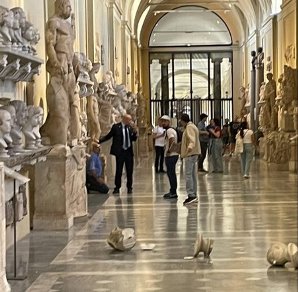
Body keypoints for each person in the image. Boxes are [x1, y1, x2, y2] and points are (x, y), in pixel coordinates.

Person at [40, 0, 76, 145]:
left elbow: (71, 41)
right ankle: (57, 142)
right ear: (61, 5)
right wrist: (55, 62)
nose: (70, 9)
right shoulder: (53, 22)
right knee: (60, 110)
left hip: (69, 67)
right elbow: (50, 44)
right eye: (68, 6)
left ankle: (66, 140)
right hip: (60, 64)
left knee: (70, 109)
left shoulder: (67, 25)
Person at [99, 114, 137, 194]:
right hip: (120, 152)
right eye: (128, 120)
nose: (130, 121)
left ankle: (129, 187)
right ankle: (117, 187)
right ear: (124, 119)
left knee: (129, 171)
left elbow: (134, 139)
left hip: (129, 152)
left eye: (130, 120)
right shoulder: (116, 127)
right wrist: (99, 141)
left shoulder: (130, 128)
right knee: (119, 170)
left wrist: (134, 132)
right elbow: (109, 136)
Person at [180, 114, 200, 205]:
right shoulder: (193, 126)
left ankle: (191, 195)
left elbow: (192, 140)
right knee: (192, 175)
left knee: (188, 175)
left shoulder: (189, 127)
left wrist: (189, 149)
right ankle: (193, 194)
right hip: (193, 154)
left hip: (190, 154)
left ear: (183, 120)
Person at [161, 115, 179, 199]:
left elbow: (172, 140)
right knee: (171, 173)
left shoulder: (169, 131)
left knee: (171, 173)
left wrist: (169, 151)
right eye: (162, 121)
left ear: (169, 122)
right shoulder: (170, 130)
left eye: (165, 121)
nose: (163, 123)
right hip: (173, 155)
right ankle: (172, 190)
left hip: (171, 155)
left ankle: (173, 192)